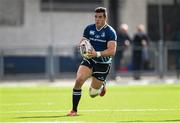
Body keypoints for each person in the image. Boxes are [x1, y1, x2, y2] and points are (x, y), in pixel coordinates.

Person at [67, 7, 117, 116]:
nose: (97, 19)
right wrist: (82, 48)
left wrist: (97, 53)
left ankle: (102, 85)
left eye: (100, 17)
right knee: (79, 80)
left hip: (103, 64)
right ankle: (74, 110)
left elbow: (112, 51)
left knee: (93, 94)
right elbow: (83, 42)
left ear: (105, 18)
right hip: (89, 60)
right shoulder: (89, 29)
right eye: (96, 17)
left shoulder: (110, 32)